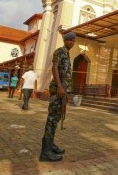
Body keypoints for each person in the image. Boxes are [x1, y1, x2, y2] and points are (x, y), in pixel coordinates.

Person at [39, 32, 76, 162]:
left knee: (56, 117)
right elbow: (55, 68)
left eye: (73, 41)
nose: (72, 42)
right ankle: (45, 152)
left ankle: (51, 145)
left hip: (63, 91)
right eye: (70, 40)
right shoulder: (59, 51)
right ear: (65, 40)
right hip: (58, 90)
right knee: (52, 118)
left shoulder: (67, 53)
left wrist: (66, 91)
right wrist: (60, 87)